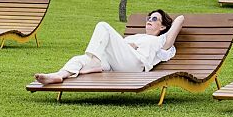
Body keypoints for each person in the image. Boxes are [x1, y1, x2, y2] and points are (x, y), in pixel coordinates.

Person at [34, 10, 184, 84]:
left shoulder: (161, 40)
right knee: (80, 59)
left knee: (103, 26)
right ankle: (58, 75)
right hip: (116, 64)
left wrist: (130, 47)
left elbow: (180, 20)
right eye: (148, 18)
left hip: (136, 64)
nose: (149, 20)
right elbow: (117, 48)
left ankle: (95, 62)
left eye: (154, 18)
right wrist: (129, 44)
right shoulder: (136, 36)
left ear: (163, 26)